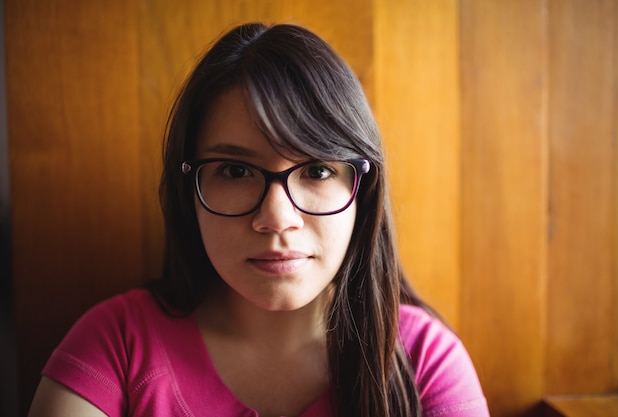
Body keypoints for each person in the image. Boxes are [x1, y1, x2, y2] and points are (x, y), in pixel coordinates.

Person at [28, 22, 489, 417]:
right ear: (189, 188)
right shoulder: (117, 344)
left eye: (318, 170)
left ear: (362, 191)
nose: (277, 218)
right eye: (235, 171)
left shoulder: (424, 362)